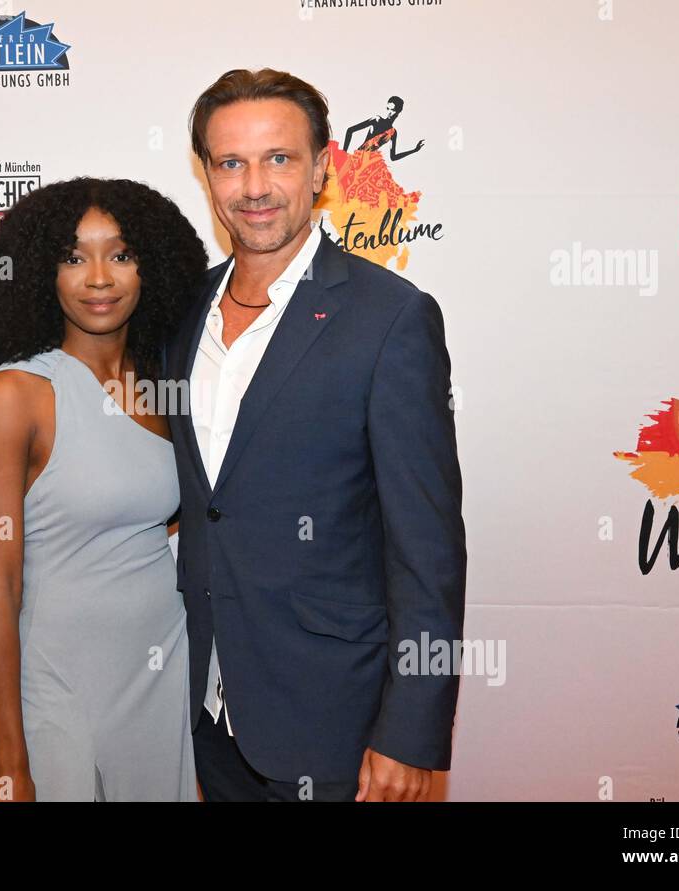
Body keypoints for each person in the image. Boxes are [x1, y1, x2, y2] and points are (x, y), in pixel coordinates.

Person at [167, 68, 467, 801]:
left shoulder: (390, 317)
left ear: (324, 166)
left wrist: (411, 729)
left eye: (279, 158)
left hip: (336, 719)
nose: (255, 186)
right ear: (206, 175)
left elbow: (427, 550)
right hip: (205, 712)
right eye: (231, 162)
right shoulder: (180, 312)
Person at [0, 177, 208, 801]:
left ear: (152, 266)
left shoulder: (168, 386)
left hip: (162, 667)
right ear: (41, 273)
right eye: (74, 257)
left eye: (122, 254)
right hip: (58, 678)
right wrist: (5, 764)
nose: (100, 278)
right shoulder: (16, 394)